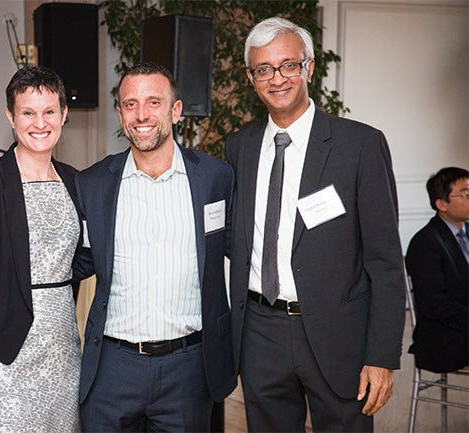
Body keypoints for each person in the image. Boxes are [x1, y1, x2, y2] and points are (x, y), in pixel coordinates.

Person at [226, 17, 405, 432]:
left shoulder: (359, 145)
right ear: (251, 78)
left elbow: (385, 261)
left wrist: (380, 355)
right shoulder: (240, 146)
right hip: (260, 330)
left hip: (338, 332)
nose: (277, 79)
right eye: (264, 69)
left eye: (288, 65)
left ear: (308, 68)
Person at [75, 62, 236, 432]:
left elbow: (243, 252)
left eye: (153, 102)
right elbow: (75, 262)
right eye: (130, 104)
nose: (141, 115)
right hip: (112, 368)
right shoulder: (94, 183)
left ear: (175, 111)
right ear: (119, 113)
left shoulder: (216, 178)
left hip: (189, 368)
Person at [0, 66, 85, 432]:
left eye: (49, 112)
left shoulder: (75, 181)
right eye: (27, 112)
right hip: (2, 358)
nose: (39, 123)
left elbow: (82, 262)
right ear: (11, 116)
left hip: (63, 355)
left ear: (63, 115)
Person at [405, 167, 469, 373]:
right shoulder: (425, 243)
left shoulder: (466, 231)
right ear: (441, 204)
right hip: (444, 337)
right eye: (465, 194)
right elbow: (435, 305)